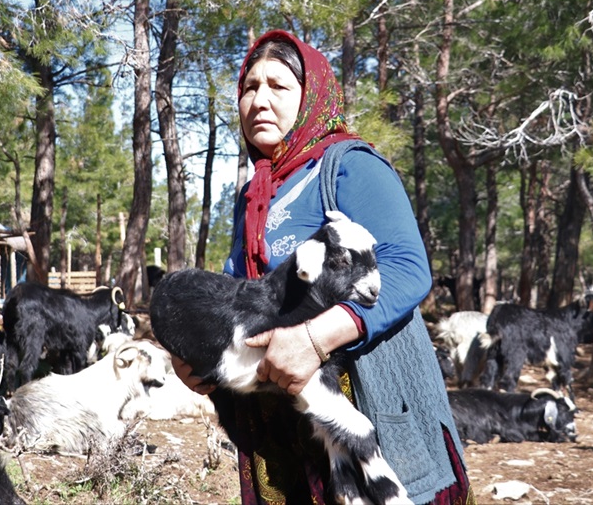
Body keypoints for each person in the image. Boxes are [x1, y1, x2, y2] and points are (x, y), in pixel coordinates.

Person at [172, 29, 473, 504]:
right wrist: (201, 356)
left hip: (371, 397)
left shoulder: (349, 166)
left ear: (310, 97)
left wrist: (314, 340)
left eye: (278, 86)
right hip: (293, 418)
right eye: (250, 87)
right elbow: (242, 293)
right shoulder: (256, 195)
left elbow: (409, 267)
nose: (259, 101)